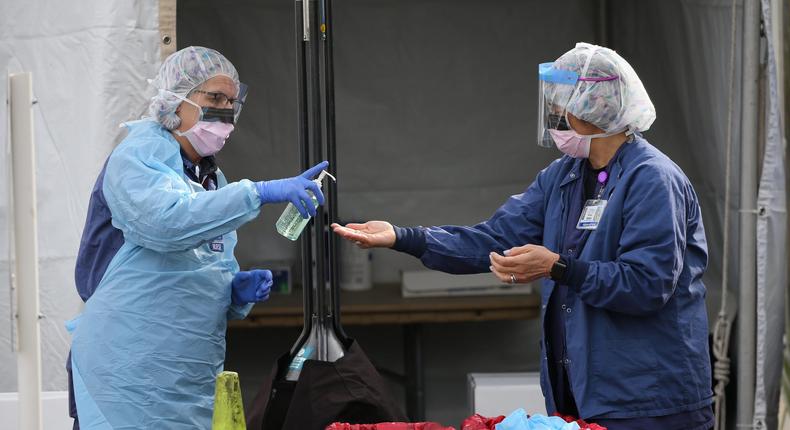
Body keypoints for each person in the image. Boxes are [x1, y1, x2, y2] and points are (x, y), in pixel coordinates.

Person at [332, 43, 713, 430]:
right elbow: (494, 239)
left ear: (596, 106)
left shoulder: (652, 179)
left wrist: (559, 268)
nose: (554, 114)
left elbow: (647, 284)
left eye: (562, 101)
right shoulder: (563, 177)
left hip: (649, 403)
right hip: (579, 398)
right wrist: (402, 237)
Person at [67, 46, 328, 429]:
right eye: (214, 97)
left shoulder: (209, 179)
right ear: (176, 98)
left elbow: (202, 261)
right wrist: (258, 192)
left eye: (231, 101)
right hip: (126, 372)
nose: (225, 109)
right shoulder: (138, 157)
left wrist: (232, 291)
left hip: (183, 375)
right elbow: (166, 224)